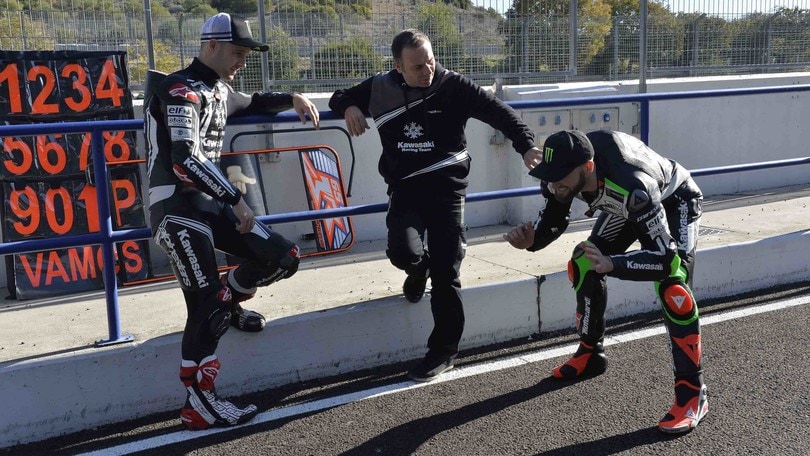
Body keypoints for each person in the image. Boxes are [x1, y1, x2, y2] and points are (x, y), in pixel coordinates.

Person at [328, 29, 542, 382]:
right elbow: (340, 96)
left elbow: (499, 112)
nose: (427, 70)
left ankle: (443, 350)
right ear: (398, 67)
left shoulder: (453, 85)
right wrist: (350, 106)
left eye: (430, 60)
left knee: (447, 271)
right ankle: (417, 269)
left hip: (447, 191)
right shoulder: (381, 87)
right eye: (416, 66)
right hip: (405, 191)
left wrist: (526, 145)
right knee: (401, 252)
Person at [143, 12, 319, 430]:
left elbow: (254, 101)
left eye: (246, 54)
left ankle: (230, 301)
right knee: (205, 305)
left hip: (211, 205)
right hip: (175, 208)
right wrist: (236, 199)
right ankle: (199, 403)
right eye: (238, 52)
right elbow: (184, 158)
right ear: (211, 46)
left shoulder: (219, 90)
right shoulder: (180, 89)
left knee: (283, 257)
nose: (243, 61)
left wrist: (291, 97)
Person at [503, 129, 708, 433]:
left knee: (673, 288)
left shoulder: (633, 184)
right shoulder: (563, 175)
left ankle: (693, 394)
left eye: (560, 176)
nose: (553, 184)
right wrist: (532, 240)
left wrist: (614, 264)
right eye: (549, 176)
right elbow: (556, 217)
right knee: (584, 262)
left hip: (672, 200)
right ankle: (590, 353)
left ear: (587, 168)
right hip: (629, 206)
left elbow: (664, 258)